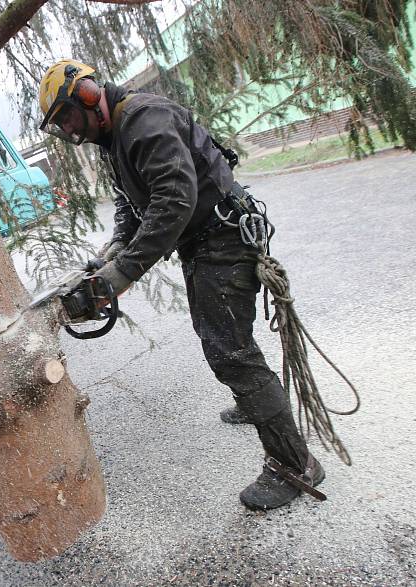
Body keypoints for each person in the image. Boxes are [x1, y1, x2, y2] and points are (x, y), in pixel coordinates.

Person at [37, 59, 324, 510]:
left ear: (89, 94)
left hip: (224, 238)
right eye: (60, 124)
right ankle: (256, 404)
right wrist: (117, 245)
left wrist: (123, 272)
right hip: (204, 241)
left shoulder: (145, 120)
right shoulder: (113, 136)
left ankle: (295, 463)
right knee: (226, 342)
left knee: (229, 350)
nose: (69, 129)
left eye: (67, 115)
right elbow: (131, 197)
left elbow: (174, 198)